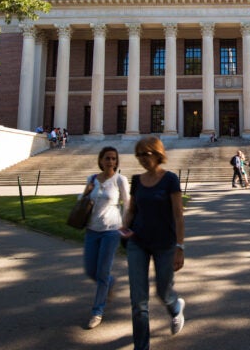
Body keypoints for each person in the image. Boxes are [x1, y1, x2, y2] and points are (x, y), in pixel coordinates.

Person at [120, 136, 186, 350]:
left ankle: (176, 307)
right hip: (137, 242)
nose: (141, 159)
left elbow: (178, 216)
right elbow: (131, 211)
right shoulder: (136, 180)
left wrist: (180, 247)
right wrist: (122, 230)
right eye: (138, 155)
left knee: (163, 292)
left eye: (145, 154)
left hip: (164, 243)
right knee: (138, 302)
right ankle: (142, 346)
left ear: (157, 154)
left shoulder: (170, 180)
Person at [82, 146, 130, 329]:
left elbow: (127, 203)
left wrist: (126, 225)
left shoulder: (120, 180)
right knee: (90, 270)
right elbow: (83, 200)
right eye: (107, 158)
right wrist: (86, 192)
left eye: (113, 159)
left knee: (102, 272)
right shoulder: (92, 179)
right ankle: (110, 282)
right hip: (92, 229)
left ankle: (97, 311)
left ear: (117, 162)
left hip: (112, 230)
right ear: (100, 160)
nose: (110, 161)